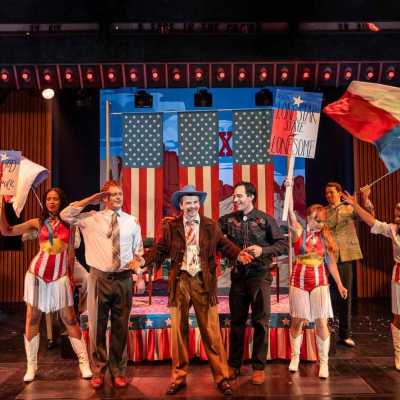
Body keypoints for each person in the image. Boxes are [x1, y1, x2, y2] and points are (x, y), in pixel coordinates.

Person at [144, 185, 253, 396]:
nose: (192, 206)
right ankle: (179, 378)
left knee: (212, 333)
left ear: (199, 204)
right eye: (188, 203)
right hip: (180, 282)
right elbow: (160, 250)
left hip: (204, 283)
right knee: (178, 334)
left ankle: (221, 377)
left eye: (195, 202)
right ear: (181, 205)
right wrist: (144, 262)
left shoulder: (210, 226)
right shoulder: (171, 227)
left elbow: (223, 244)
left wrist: (238, 254)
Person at [0, 188, 92, 382]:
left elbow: (71, 254)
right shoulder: (37, 222)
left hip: (59, 277)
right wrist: (1, 205)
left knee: (70, 319)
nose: (51, 202)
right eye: (48, 199)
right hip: (36, 275)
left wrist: (69, 276)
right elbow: (6, 231)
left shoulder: (69, 223)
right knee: (32, 319)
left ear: (61, 202)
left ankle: (84, 362)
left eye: (55, 199)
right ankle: (31, 366)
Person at [60, 180, 144, 389]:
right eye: (113, 194)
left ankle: (118, 371)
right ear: (104, 197)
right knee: (97, 326)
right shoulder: (90, 218)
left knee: (120, 327)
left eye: (120, 194)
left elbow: (139, 253)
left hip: (124, 278)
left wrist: (138, 265)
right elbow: (65, 215)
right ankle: (98, 370)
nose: (118, 197)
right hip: (99, 277)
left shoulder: (131, 221)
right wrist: (91, 199)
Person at [218, 181, 288, 385]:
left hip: (260, 276)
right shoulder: (227, 220)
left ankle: (258, 367)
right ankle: (234, 365)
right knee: (237, 322)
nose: (235, 199)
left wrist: (262, 251)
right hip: (238, 277)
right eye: (234, 196)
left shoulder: (265, 220)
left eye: (239, 196)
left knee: (260, 322)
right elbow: (211, 233)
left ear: (251, 197)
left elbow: (282, 244)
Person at [287, 188, 347, 378]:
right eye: (317, 220)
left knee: (322, 321)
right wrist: (289, 188)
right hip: (298, 281)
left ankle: (324, 363)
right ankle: (295, 357)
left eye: (322, 221)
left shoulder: (325, 237)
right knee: (298, 321)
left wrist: (339, 284)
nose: (320, 224)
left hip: (319, 281)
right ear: (309, 218)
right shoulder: (298, 231)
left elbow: (331, 265)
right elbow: (289, 212)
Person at [342, 191, 400, 371]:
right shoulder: (392, 229)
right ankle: (399, 356)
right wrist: (356, 204)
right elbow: (372, 222)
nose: (396, 216)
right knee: (399, 317)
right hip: (399, 276)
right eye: (396, 213)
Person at [325, 182, 374, 347]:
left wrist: (365, 200)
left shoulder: (349, 209)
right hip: (328, 256)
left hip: (345, 256)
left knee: (345, 297)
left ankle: (344, 334)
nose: (329, 196)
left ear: (339, 193)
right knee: (326, 296)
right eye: (327, 193)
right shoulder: (324, 212)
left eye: (331, 192)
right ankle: (324, 330)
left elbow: (369, 217)